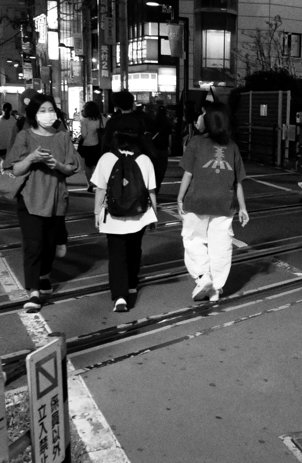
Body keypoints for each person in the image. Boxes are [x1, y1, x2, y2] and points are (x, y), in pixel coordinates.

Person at [7, 96, 82, 312]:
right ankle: (33, 292)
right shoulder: (24, 136)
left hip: (57, 198)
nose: (47, 114)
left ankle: (44, 275)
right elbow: (15, 169)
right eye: (42, 110)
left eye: (51, 109)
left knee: (49, 245)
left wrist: (56, 164)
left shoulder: (62, 137)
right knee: (33, 245)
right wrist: (31, 158)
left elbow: (71, 168)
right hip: (30, 198)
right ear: (33, 114)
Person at [177, 103, 250, 303]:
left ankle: (202, 276)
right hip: (225, 203)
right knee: (221, 245)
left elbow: (188, 173)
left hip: (198, 200)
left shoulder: (196, 142)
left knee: (192, 239)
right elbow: (238, 181)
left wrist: (180, 196)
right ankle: (216, 288)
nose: (199, 118)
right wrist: (243, 207)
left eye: (202, 115)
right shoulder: (233, 146)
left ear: (208, 120)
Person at [92, 129, 159, 312]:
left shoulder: (107, 158)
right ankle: (131, 284)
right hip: (139, 216)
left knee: (117, 255)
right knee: (134, 249)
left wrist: (97, 212)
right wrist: (154, 214)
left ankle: (120, 297)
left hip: (112, 217)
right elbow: (150, 190)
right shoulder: (144, 160)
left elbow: (100, 189)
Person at [78, 100, 104, 192]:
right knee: (98, 165)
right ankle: (99, 183)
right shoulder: (100, 119)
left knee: (88, 166)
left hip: (87, 145)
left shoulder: (84, 121)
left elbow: (84, 135)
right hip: (98, 145)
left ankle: (90, 184)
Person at [150, 105, 171, 190]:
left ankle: (152, 186)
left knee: (153, 168)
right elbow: (169, 136)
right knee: (161, 169)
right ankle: (158, 185)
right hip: (163, 149)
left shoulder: (153, 122)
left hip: (154, 149)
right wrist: (170, 147)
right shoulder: (167, 123)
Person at [0, 103, 18, 167]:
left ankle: (5, 173)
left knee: (4, 161)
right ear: (11, 110)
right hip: (11, 146)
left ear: (2, 110)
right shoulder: (14, 121)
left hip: (1, 146)